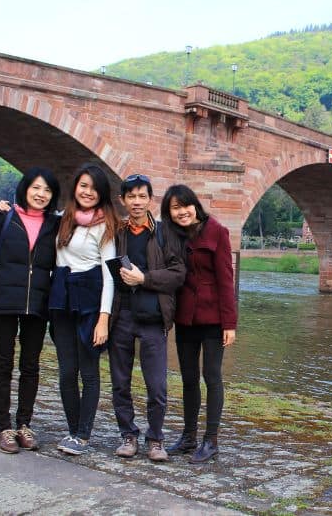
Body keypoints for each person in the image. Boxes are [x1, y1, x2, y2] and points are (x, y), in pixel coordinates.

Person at [0, 167, 61, 454]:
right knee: (3, 363)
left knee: (31, 366)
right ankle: (4, 427)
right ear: (25, 189)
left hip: (37, 305)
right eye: (36, 188)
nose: (41, 194)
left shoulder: (55, 224)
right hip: (3, 303)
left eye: (47, 190)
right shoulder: (2, 217)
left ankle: (24, 424)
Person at [108, 174, 186, 461]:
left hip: (153, 316)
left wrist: (145, 278)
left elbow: (178, 274)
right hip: (122, 314)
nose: (137, 202)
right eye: (131, 197)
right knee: (120, 381)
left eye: (142, 196)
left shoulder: (165, 233)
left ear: (150, 199)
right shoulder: (116, 232)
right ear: (123, 200)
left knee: (157, 385)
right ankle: (128, 435)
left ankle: (155, 439)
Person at [162, 184, 237, 463]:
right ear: (169, 213)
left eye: (185, 205)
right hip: (186, 318)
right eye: (175, 208)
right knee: (188, 377)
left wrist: (229, 323)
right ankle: (189, 437)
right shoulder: (172, 235)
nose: (182, 212)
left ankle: (211, 440)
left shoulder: (217, 232)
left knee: (212, 376)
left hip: (213, 318)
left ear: (195, 205)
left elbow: (226, 280)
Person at [49, 163, 119, 456]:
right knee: (67, 372)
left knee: (88, 373)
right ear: (75, 187)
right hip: (62, 303)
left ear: (102, 193)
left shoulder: (105, 225)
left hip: (89, 305)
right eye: (83, 186)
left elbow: (109, 276)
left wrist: (104, 319)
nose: (88, 192)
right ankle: (73, 430)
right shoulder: (64, 219)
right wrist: (5, 209)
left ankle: (83, 435)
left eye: (94, 188)